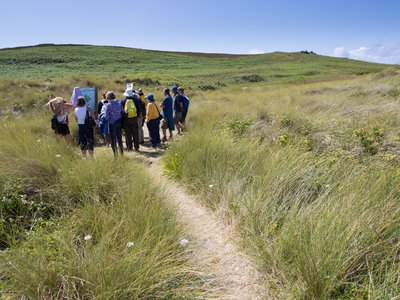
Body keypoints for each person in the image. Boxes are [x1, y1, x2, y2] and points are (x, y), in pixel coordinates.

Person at [104, 91, 124, 157]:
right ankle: (122, 154)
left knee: (113, 139)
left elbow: (106, 116)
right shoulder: (118, 104)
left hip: (112, 123)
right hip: (119, 122)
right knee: (119, 138)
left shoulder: (108, 105)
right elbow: (122, 112)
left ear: (107, 97)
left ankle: (115, 155)